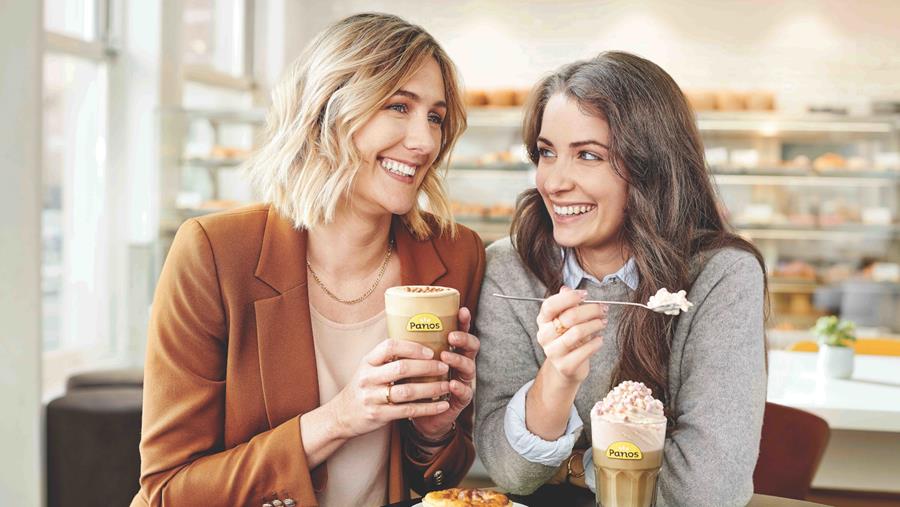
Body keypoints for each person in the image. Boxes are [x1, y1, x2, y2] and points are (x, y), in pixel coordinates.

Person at [132, 13, 485, 507]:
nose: (425, 142)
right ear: (325, 111)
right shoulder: (213, 254)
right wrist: (338, 419)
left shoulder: (454, 254)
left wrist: (433, 432)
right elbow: (168, 491)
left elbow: (436, 482)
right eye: (398, 106)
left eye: (435, 117)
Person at [474, 51, 767, 507]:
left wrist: (574, 466)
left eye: (588, 155)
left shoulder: (720, 276)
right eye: (546, 153)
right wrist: (559, 376)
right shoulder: (509, 269)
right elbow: (510, 470)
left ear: (651, 166)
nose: (553, 181)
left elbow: (707, 490)